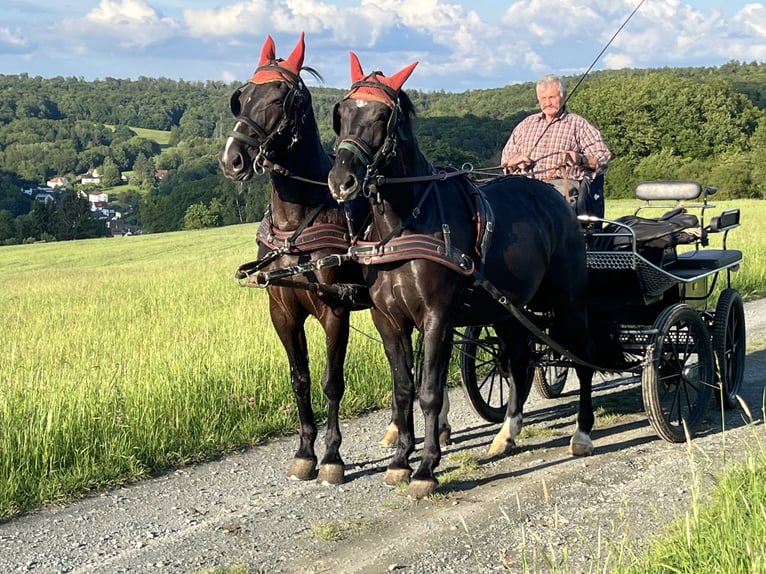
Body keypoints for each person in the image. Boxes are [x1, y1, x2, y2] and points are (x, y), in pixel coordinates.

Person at [500, 74, 611, 218]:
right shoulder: (526, 124)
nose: (548, 103)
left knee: (539, 206)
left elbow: (603, 157)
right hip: (524, 187)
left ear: (563, 96)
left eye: (552, 97)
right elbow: (506, 160)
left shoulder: (578, 124)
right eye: (543, 99)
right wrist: (513, 162)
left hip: (561, 189)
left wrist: (579, 159)